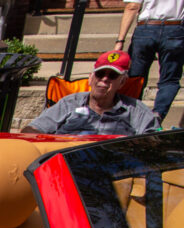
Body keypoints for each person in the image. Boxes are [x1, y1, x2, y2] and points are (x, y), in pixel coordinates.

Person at [23, 50, 159, 136]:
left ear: (122, 82)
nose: (104, 79)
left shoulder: (136, 110)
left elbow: (154, 142)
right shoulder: (69, 103)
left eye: (112, 76)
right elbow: (31, 130)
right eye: (100, 74)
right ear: (90, 78)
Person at [115, 0, 184, 122]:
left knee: (135, 78)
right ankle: (158, 114)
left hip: (146, 27)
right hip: (175, 27)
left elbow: (132, 6)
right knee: (169, 79)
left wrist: (120, 40)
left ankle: (129, 115)